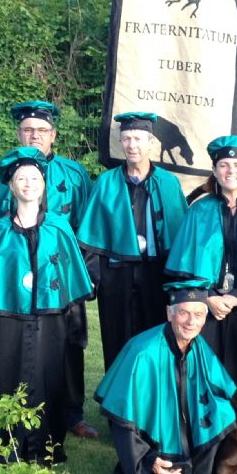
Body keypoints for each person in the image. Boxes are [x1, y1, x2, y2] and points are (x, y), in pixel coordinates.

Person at [0, 100, 98, 439]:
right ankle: (17, 413)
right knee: (19, 346)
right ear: (19, 133)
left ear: (53, 135)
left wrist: (80, 273)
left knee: (69, 342)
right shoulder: (5, 173)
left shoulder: (73, 173)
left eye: (42, 131)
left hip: (63, 272)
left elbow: (86, 229)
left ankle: (71, 413)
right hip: (19, 272)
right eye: (28, 130)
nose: (35, 136)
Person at [95, 284, 237, 474]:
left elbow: (231, 393)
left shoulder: (198, 346)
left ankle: (199, 473)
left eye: (198, 315)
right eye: (184, 313)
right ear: (170, 313)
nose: (191, 322)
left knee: (224, 410)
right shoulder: (143, 354)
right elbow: (122, 420)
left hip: (186, 439)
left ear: (205, 318)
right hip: (153, 446)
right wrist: (148, 460)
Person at [76, 111, 188, 369]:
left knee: (156, 334)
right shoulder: (106, 182)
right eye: (126, 139)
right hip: (116, 272)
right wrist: (94, 278)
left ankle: (151, 399)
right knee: (116, 335)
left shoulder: (168, 183)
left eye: (138, 138)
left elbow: (180, 235)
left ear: (151, 143)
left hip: (156, 271)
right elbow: (93, 236)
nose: (131, 145)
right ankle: (117, 401)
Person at [165, 135, 237, 381]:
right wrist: (210, 298)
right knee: (205, 376)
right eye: (224, 165)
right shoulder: (199, 210)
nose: (231, 171)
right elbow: (181, 267)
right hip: (206, 308)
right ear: (214, 171)